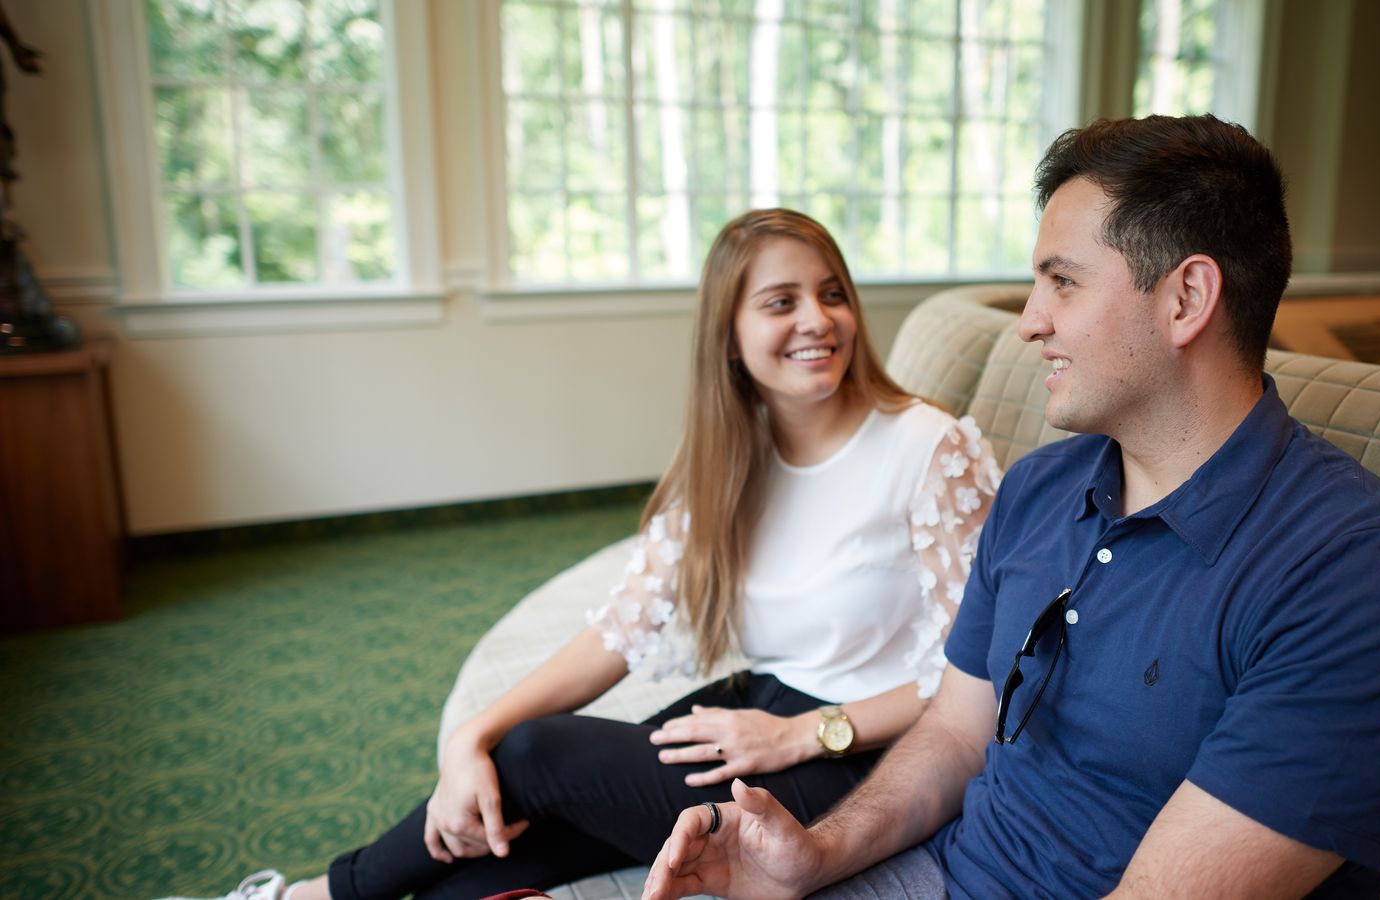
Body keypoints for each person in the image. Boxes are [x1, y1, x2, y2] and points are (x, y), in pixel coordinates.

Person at [643, 116, 1380, 900]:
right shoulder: (1038, 489)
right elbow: (957, 734)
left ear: (1186, 299)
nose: (1029, 325)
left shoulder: (1361, 581)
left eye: (1061, 283)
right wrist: (815, 856)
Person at [168, 208, 1000, 900]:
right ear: (730, 337)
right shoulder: (729, 461)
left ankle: (309, 896)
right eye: (779, 302)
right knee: (512, 819)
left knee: (536, 754)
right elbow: (618, 631)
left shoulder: (927, 448)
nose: (816, 320)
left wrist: (806, 736)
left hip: (860, 759)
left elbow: (981, 671)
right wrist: (469, 740)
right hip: (759, 708)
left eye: (830, 294)